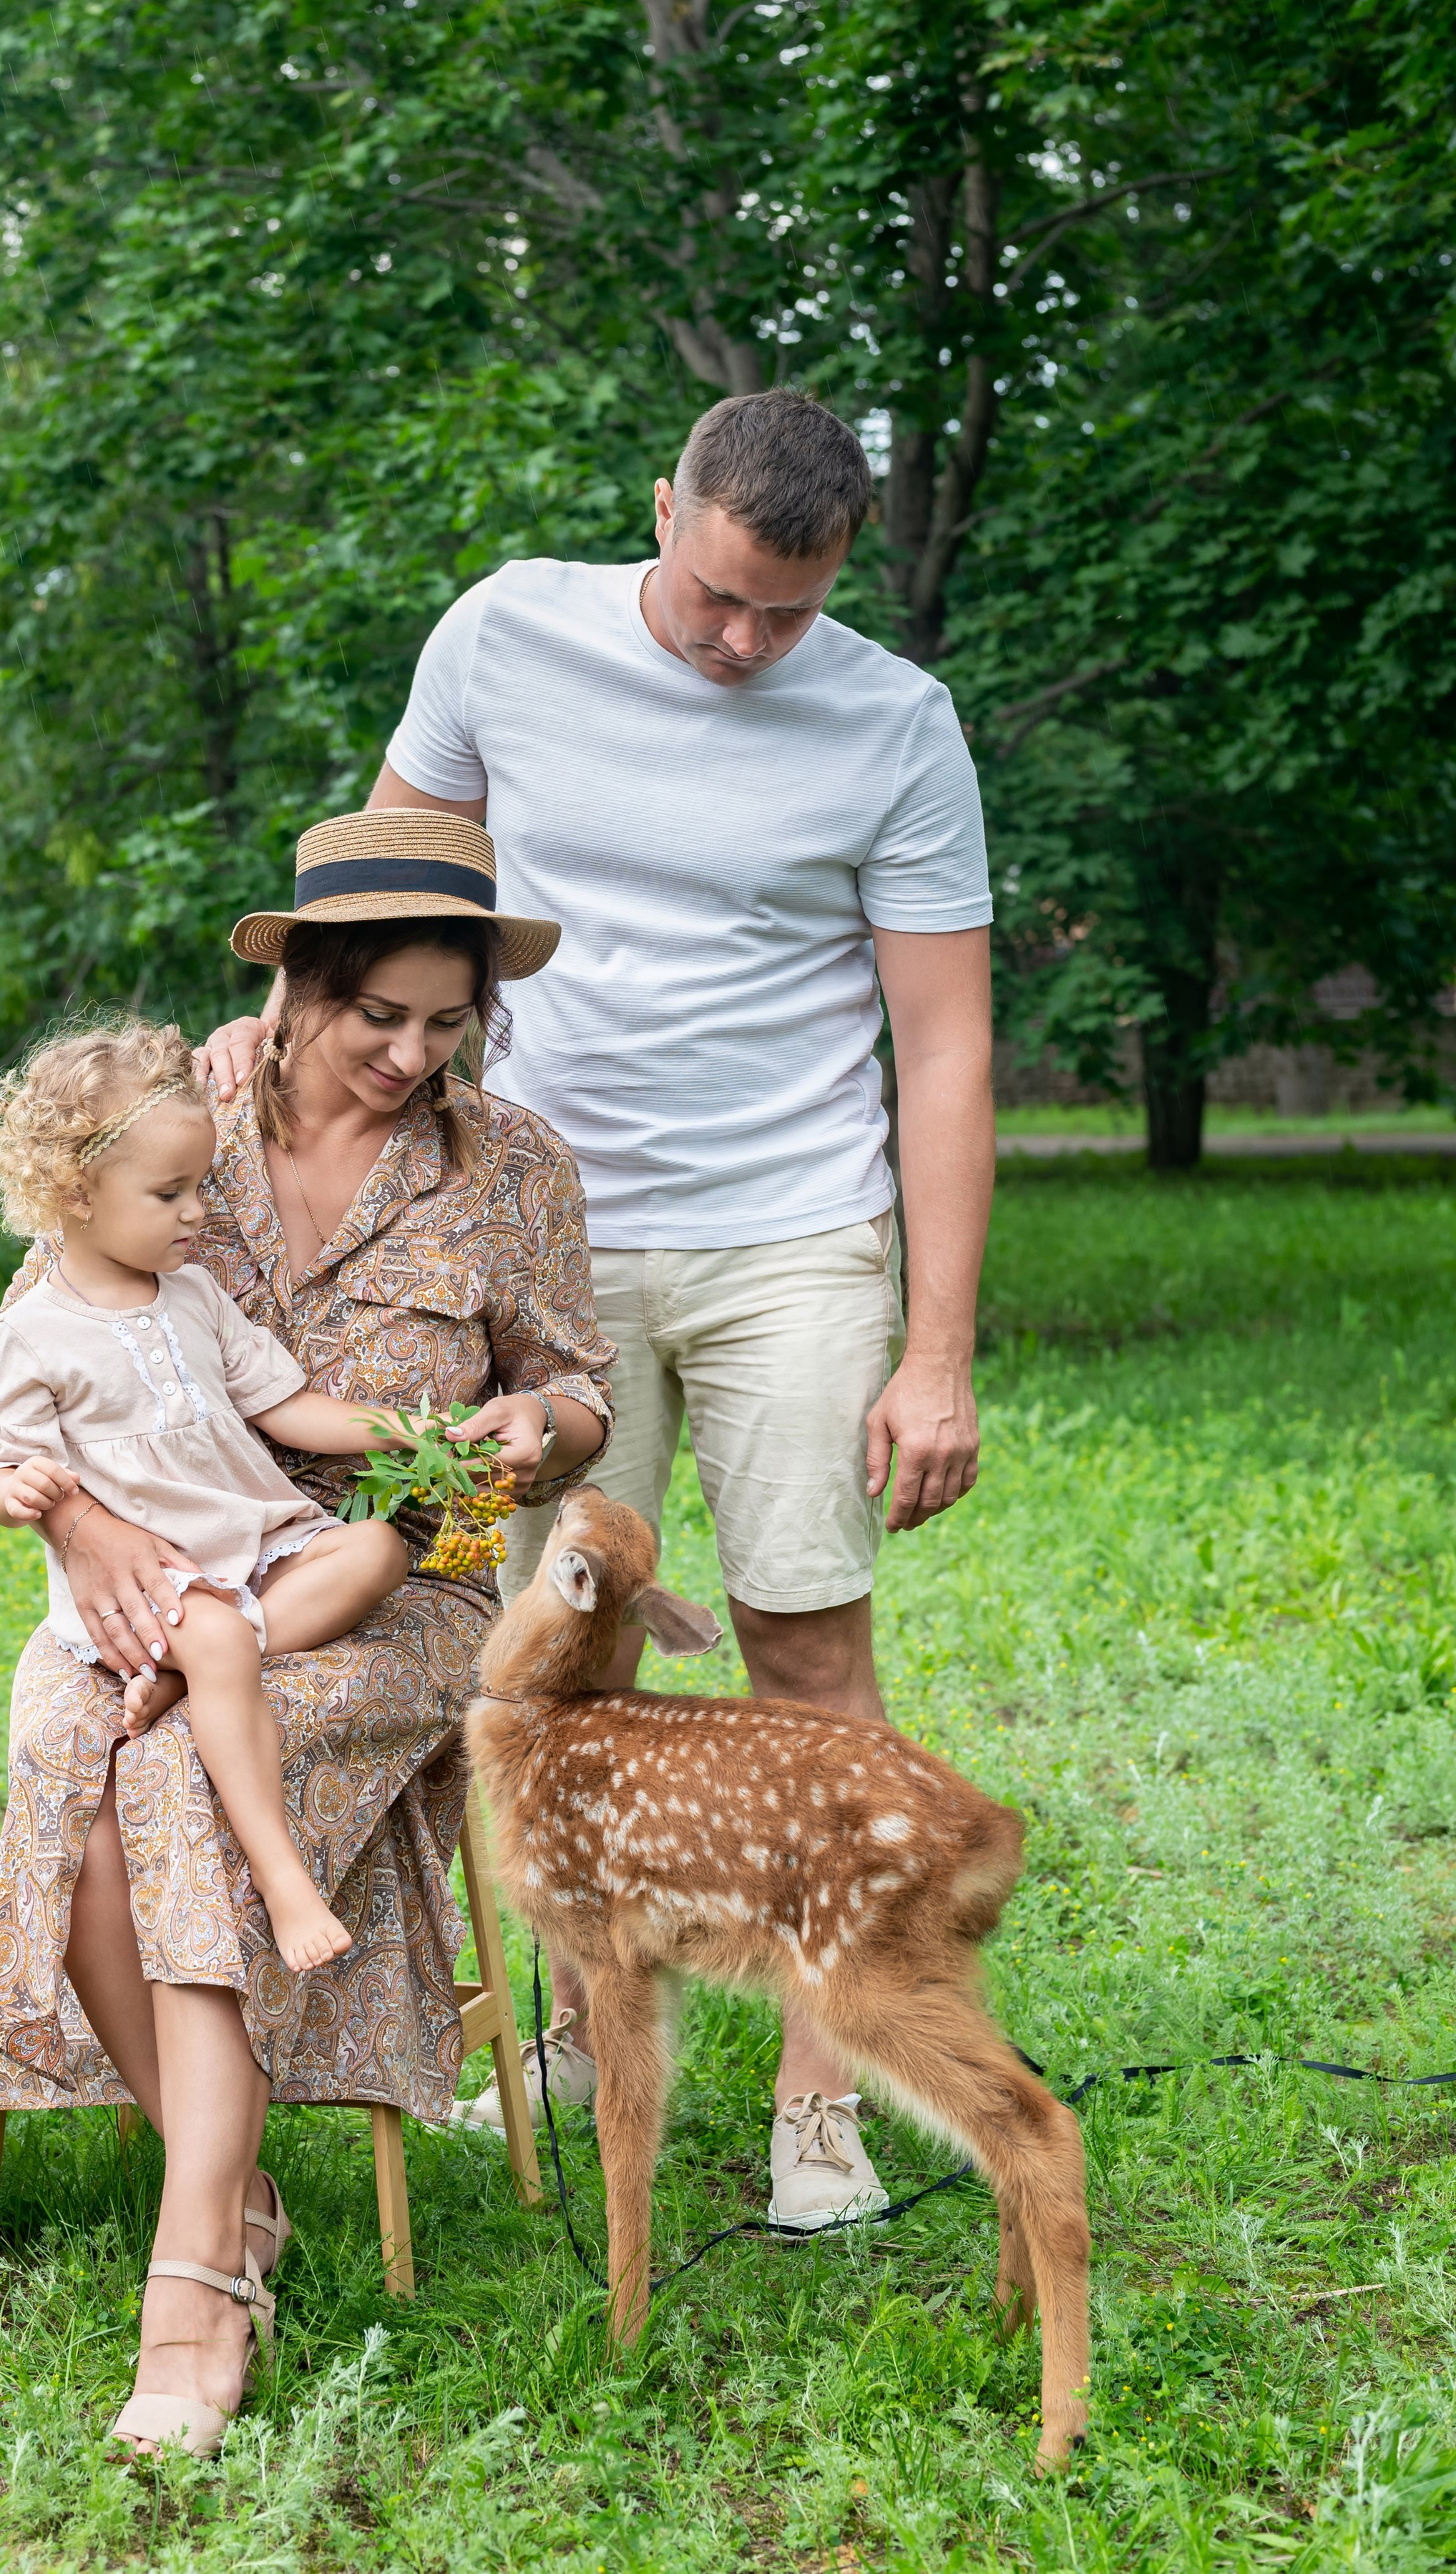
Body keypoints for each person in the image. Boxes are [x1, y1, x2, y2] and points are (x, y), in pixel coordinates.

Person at [201, 388, 995, 2233]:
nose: (740, 642)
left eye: (782, 614)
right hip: (540, 1235)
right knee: (562, 1660)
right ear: (664, 509)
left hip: (791, 1229)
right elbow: (385, 891)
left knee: (801, 1650)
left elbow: (944, 1046)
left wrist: (936, 1348)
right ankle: (570, 2032)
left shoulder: (894, 723)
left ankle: (825, 2095)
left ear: (837, 579)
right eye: (715, 594)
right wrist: (280, 1030)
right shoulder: (505, 631)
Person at [0, 811, 612, 2456]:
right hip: (139, 1575)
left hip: (396, 1576)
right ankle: (233, 2194)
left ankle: (193, 2284)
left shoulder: (508, 1166)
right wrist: (84, 1522)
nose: (409, 1052)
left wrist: (545, 1431)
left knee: (172, 1771)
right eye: (376, 1012)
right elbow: (41, 1334)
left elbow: (576, 1381)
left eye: (445, 1020)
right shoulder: (180, 1123)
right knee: (78, 1746)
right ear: (299, 989)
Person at [0, 1016, 416, 1974]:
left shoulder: (196, 1298)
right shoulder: (31, 1333)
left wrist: (411, 1431)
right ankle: (284, 1877)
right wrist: (24, 1489)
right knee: (213, 1633)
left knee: (376, 1548)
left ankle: (182, 1683)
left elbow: (290, 1407)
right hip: (153, 1583)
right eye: (170, 1191)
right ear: (76, 1193)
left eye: (203, 1183)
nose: (199, 1209)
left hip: (249, 1547)